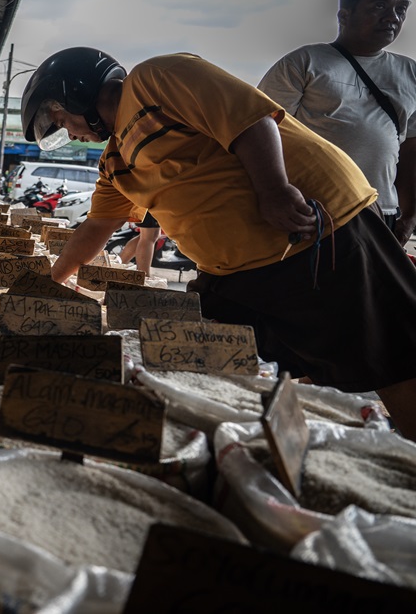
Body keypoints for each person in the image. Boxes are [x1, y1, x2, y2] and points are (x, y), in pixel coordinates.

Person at [21, 46, 416, 437]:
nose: (71, 132)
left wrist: (274, 189)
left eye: (62, 120)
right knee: (235, 366)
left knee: (387, 357)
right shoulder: (115, 162)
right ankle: (295, 443)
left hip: (319, 234)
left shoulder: (155, 78)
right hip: (234, 273)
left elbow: (249, 120)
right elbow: (96, 227)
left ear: (77, 93)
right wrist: (49, 285)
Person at [259, 0, 416, 243]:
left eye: (401, 8)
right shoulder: (305, 62)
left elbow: (411, 150)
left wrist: (409, 217)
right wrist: (273, 194)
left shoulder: (411, 73)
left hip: (383, 214)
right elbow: (260, 132)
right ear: (344, 15)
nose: (392, 17)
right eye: (379, 6)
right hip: (313, 213)